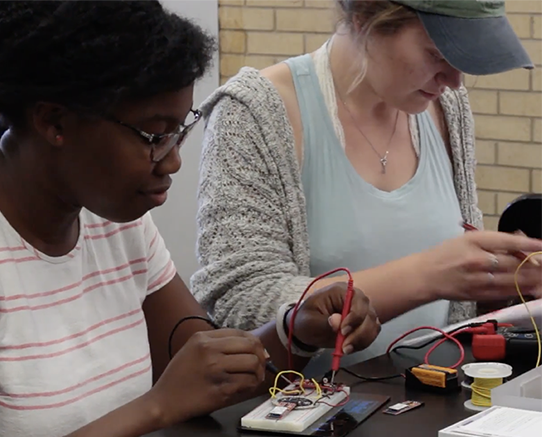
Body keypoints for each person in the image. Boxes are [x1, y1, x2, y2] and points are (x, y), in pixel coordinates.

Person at [0, 1, 382, 436]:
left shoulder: (109, 211)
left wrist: (296, 332)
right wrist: (157, 407)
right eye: (154, 135)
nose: (172, 161)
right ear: (54, 121)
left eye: (179, 131)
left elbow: (200, 368)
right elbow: (175, 394)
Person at [192, 0, 542, 367]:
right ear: (364, 18)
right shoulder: (254, 112)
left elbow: (453, 312)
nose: (455, 80)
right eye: (438, 54)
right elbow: (239, 302)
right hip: (307, 413)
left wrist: (501, 280)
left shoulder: (446, 106)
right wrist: (428, 276)